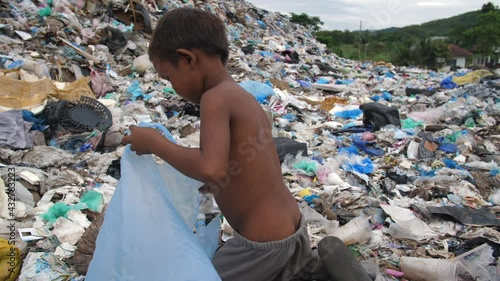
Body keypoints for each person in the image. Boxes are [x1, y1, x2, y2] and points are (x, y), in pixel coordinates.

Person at [122, 7, 371, 281]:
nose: (172, 86)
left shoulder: (214, 99)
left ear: (187, 58)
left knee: (205, 276)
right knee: (289, 273)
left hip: (261, 241)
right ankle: (322, 272)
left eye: (168, 77)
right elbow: (242, 164)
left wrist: (155, 143)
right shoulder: (242, 97)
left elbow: (210, 167)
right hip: (291, 227)